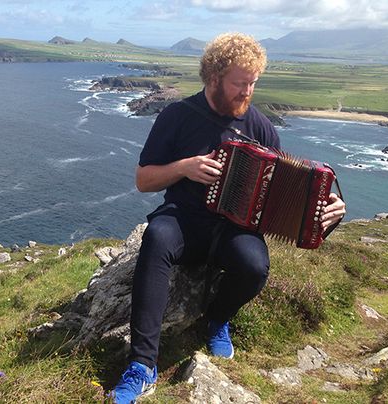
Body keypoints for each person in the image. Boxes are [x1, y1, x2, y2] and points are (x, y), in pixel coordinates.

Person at [109, 32, 346, 403]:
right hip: (184, 220)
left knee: (254, 267)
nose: (247, 92)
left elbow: (281, 192)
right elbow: (143, 181)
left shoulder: (261, 127)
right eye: (240, 83)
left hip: (235, 229)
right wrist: (184, 167)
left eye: (253, 83)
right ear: (214, 78)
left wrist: (327, 209)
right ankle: (142, 365)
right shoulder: (177, 115)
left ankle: (217, 319)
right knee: (156, 238)